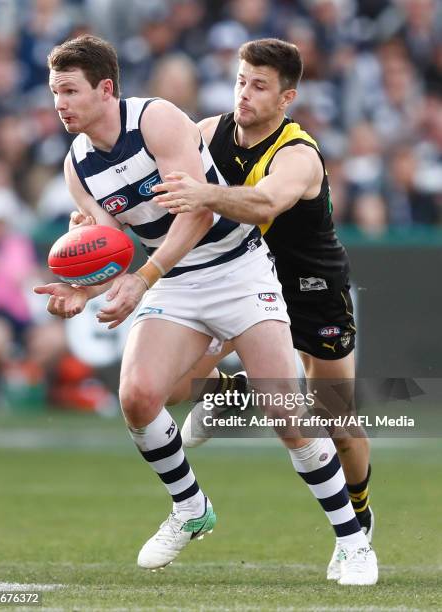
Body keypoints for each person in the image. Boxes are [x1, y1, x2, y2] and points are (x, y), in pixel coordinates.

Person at [34, 35, 377, 583]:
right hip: (176, 277)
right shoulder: (80, 164)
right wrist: (84, 287)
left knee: (313, 414)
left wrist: (144, 278)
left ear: (106, 88)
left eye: (69, 91)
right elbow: (109, 238)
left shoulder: (170, 122)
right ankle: (191, 507)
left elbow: (204, 210)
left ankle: (356, 536)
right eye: (55, 93)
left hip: (254, 270)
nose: (59, 104)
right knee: (141, 396)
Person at [153, 38, 375, 582]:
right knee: (174, 388)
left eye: (259, 86)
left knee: (336, 421)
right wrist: (91, 217)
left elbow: (264, 204)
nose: (244, 94)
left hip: (311, 288)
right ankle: (232, 393)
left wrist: (204, 195)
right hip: (242, 282)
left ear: (287, 97)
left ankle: (360, 525)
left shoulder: (298, 155)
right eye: (240, 80)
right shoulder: (206, 133)